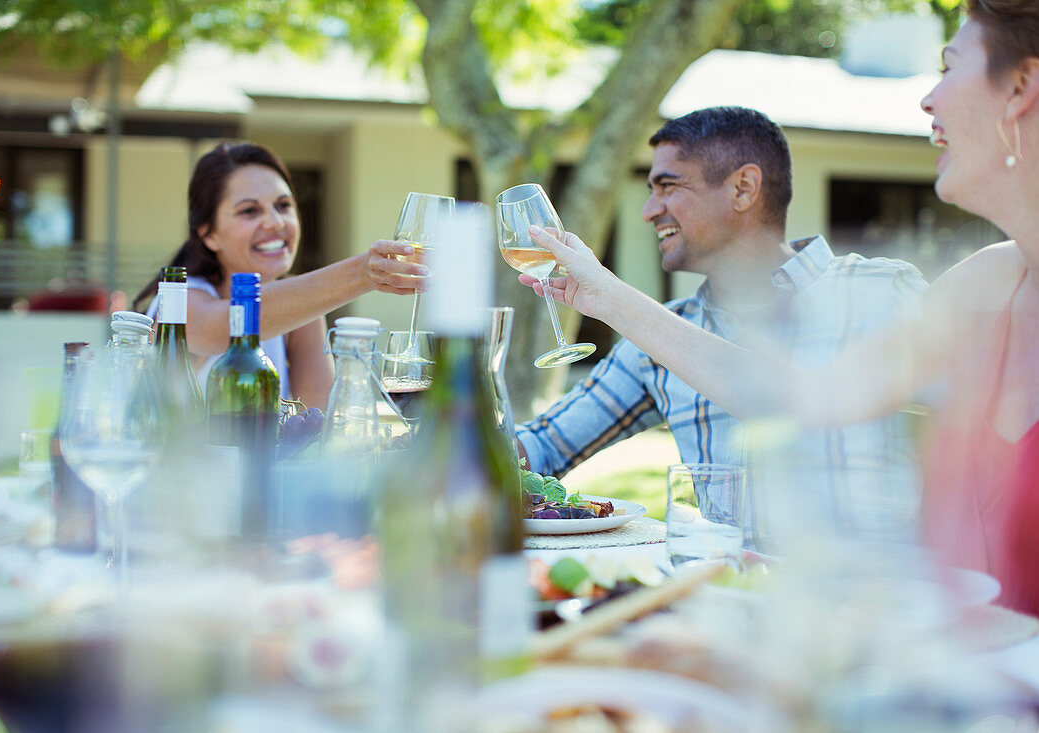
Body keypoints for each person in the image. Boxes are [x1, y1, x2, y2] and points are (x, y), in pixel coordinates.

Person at [520, 0, 1039, 615]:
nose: (927, 100)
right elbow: (800, 399)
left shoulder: (892, 290)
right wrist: (598, 295)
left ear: (1021, 88)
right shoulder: (982, 284)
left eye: (949, 67)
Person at [516, 107, 927, 521]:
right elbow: (541, 447)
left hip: (876, 584)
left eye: (669, 186)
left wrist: (611, 298)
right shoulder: (657, 339)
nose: (648, 211)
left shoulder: (882, 291)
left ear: (743, 188)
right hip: (728, 586)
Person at [134, 142, 423, 406]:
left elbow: (315, 424)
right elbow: (228, 324)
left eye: (283, 206)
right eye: (249, 211)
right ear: (208, 234)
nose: (275, 222)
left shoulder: (302, 311)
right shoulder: (179, 300)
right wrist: (362, 274)